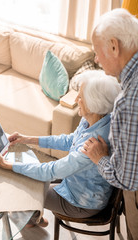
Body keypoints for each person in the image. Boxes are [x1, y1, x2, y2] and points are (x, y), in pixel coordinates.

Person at [0, 70, 121, 228]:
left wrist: (7, 165)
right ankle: (33, 215)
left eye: (80, 97)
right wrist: (27, 139)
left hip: (82, 202)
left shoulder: (94, 144)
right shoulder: (96, 119)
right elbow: (69, 140)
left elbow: (52, 170)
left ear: (93, 105)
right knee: (29, 175)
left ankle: (29, 219)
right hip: (77, 182)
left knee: (22, 185)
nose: (76, 99)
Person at [81, 8, 138, 240]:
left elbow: (127, 179)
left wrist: (99, 158)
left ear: (114, 46)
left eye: (97, 51)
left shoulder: (129, 100)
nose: (96, 59)